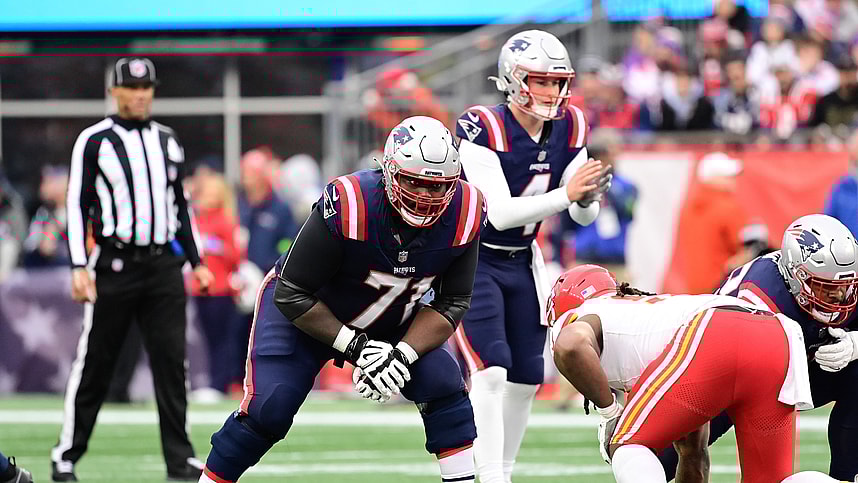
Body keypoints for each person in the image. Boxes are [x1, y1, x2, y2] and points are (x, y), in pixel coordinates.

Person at [198, 116, 487, 483]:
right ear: (390, 171)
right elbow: (292, 291)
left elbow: (453, 300)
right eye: (415, 182)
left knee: (445, 385)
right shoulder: (351, 202)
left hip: (396, 320)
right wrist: (358, 349)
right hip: (310, 314)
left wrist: (401, 355)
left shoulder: (466, 209)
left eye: (438, 186)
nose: (426, 196)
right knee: (269, 408)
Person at [452, 29, 611, 483]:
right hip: (476, 258)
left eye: (558, 82)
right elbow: (498, 214)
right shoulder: (483, 125)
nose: (552, 91)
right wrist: (569, 193)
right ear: (513, 78)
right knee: (490, 371)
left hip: (523, 259)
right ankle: (491, 478)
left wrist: (584, 197)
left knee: (526, 375)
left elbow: (583, 215)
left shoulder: (571, 125)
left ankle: (504, 471)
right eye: (541, 81)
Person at [53, 57, 214, 482]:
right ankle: (66, 454)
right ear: (116, 91)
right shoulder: (94, 140)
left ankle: (179, 460)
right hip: (115, 263)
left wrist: (197, 262)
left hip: (163, 265)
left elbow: (181, 207)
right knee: (96, 362)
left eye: (147, 88)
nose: (140, 95)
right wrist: (77, 265)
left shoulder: (167, 140)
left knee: (171, 363)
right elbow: (76, 205)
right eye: (132, 88)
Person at [549, 264, 813, 483]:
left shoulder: (584, 314)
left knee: (627, 444)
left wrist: (610, 413)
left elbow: (569, 345)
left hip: (716, 330)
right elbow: (694, 457)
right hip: (776, 333)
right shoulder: (650, 320)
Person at [658, 214, 858, 481]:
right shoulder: (760, 296)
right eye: (825, 289)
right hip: (729, 375)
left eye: (845, 288)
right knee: (662, 458)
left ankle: (847, 476)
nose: (838, 298)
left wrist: (856, 344)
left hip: (796, 371)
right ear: (795, 276)